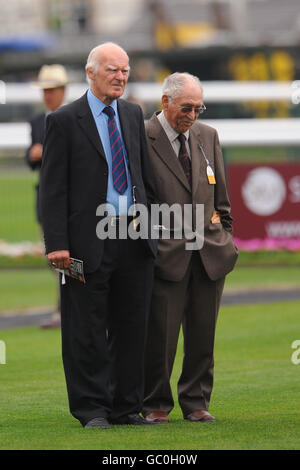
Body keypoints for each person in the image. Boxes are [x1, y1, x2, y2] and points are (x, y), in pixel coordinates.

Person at [39, 42, 158, 429]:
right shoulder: (63, 120)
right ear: (91, 73)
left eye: (125, 70)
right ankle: (91, 409)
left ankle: (125, 408)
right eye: (113, 70)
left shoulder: (132, 113)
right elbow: (52, 189)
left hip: (131, 238)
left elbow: (143, 178)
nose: (121, 77)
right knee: (84, 327)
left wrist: (152, 228)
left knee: (131, 327)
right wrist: (57, 243)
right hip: (82, 244)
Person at [142, 72, 238, 424]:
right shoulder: (142, 136)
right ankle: (155, 403)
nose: (193, 115)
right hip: (165, 254)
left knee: (203, 337)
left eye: (199, 108)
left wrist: (224, 239)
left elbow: (222, 200)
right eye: (187, 107)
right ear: (165, 101)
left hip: (209, 254)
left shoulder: (208, 135)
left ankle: (196, 402)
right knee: (159, 337)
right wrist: (151, 245)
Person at [25, 64, 68, 329]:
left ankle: (66, 310)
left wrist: (46, 153)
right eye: (44, 91)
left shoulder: (74, 118)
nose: (47, 96)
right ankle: (64, 308)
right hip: (46, 199)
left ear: (62, 91)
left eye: (51, 90)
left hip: (70, 200)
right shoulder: (36, 121)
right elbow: (31, 161)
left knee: (69, 257)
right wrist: (32, 154)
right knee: (54, 258)